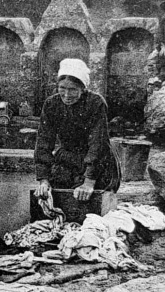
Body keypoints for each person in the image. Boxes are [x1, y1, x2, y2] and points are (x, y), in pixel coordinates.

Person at [34, 58, 121, 202]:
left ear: (83, 89)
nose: (67, 95)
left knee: (91, 197)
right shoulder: (51, 104)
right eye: (62, 88)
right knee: (55, 194)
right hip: (67, 158)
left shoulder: (95, 103)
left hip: (98, 162)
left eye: (73, 89)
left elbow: (97, 144)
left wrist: (89, 182)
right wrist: (43, 180)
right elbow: (44, 141)